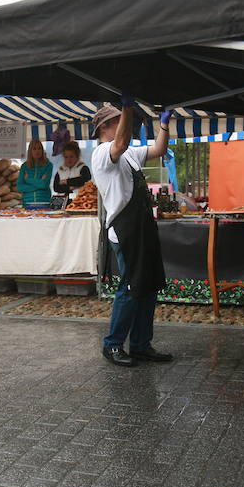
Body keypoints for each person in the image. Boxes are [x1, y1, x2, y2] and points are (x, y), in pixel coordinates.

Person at [91, 95, 174, 367]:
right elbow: (122, 141)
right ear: (105, 127)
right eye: (118, 121)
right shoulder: (103, 153)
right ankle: (113, 344)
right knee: (129, 288)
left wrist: (164, 124)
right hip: (124, 232)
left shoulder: (129, 154)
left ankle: (140, 345)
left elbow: (159, 150)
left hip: (142, 228)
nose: (126, 125)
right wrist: (127, 107)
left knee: (147, 288)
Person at [17, 138, 53, 208]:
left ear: (42, 150)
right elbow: (20, 187)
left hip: (44, 201)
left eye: (39, 148)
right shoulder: (24, 166)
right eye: (34, 149)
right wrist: (38, 184)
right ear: (30, 151)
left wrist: (28, 180)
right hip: (27, 203)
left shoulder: (48, 165)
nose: (37, 151)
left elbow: (44, 184)